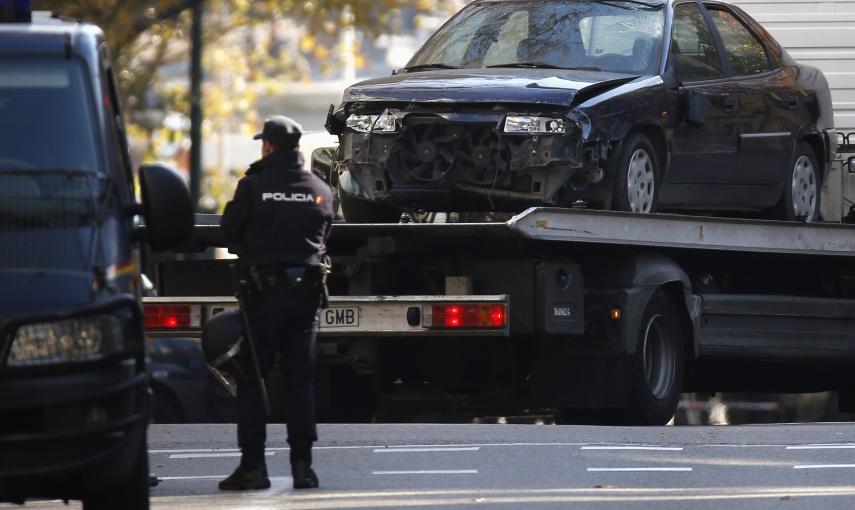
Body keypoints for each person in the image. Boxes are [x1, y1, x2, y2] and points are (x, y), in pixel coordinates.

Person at [218, 115, 334, 491]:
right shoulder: (319, 188)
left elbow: (229, 232)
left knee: (252, 377)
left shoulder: (253, 187)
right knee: (300, 381)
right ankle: (304, 467)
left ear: (267, 146)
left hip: (263, 296)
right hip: (305, 299)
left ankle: (253, 466)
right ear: (298, 148)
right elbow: (324, 235)